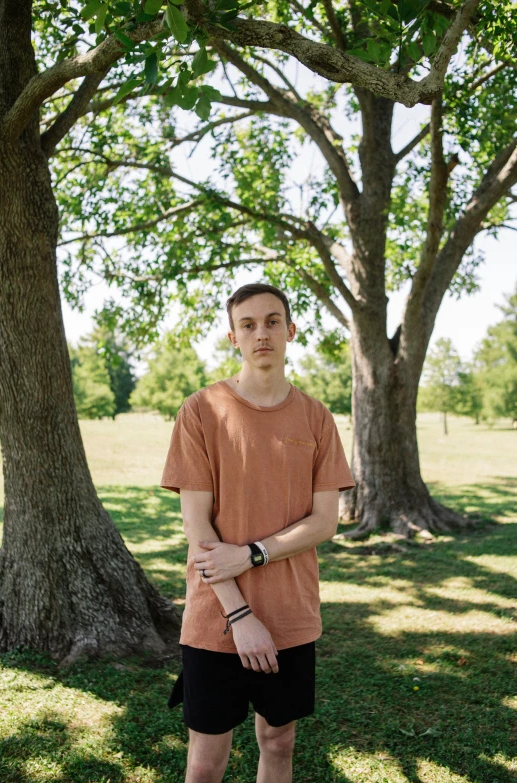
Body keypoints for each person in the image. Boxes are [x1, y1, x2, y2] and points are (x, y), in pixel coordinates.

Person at [160, 283, 355, 783]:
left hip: (291, 615)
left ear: (291, 331)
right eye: (247, 324)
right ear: (233, 337)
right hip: (215, 618)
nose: (261, 333)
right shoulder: (201, 411)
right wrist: (240, 614)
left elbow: (325, 521)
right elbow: (197, 528)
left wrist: (251, 554)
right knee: (205, 761)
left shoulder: (316, 418)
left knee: (278, 742)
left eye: (272, 322)